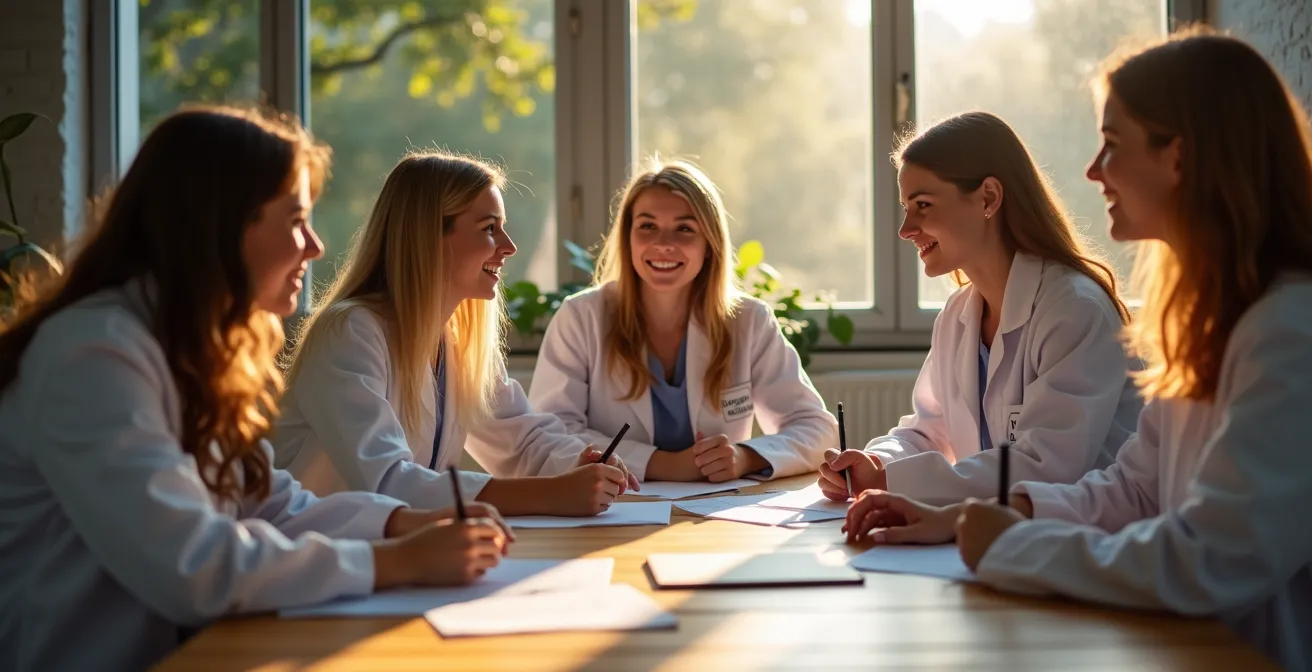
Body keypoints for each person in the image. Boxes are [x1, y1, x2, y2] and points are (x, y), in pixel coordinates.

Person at [844, 29, 1312, 671]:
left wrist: (1011, 544)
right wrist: (962, 518)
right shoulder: (1213, 324)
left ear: (1180, 158)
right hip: (1177, 641)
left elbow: (1211, 558)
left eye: (1113, 146)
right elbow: (1132, 492)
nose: (1093, 171)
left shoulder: (1287, 330)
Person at [0, 107, 510, 672]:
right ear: (220, 223)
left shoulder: (188, 347)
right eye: (295, 220)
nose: (315, 246)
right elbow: (193, 566)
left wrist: (403, 525)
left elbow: (268, 502)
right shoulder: (92, 355)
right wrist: (396, 562)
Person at [273, 151, 637, 516]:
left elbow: (522, 443)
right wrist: (552, 494)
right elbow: (387, 480)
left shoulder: (455, 341)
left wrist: (580, 462)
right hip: (321, 557)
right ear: (428, 236)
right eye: (489, 228)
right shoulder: (349, 334)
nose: (509, 247)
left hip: (399, 555)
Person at [818, 111, 1142, 505]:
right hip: (1000, 533)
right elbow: (928, 432)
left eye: (922, 205)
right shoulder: (958, 315)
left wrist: (895, 482)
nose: (905, 229)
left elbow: (1046, 465)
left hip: (1082, 543)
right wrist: (875, 462)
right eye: (906, 207)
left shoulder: (1075, 310)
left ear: (988, 197)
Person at [529, 159, 837, 483]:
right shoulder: (581, 317)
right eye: (647, 226)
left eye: (685, 229)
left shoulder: (748, 321)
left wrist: (745, 457)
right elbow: (552, 435)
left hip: (714, 518)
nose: (664, 243)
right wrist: (662, 464)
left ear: (709, 246)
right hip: (612, 509)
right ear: (628, 238)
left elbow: (817, 429)